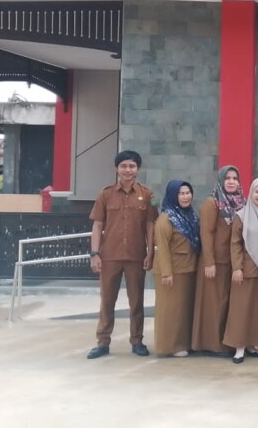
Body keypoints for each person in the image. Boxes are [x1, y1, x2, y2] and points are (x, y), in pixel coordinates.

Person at [86, 150, 156, 359]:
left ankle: (137, 341)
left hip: (136, 256)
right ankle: (102, 342)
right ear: (117, 169)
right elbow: (97, 225)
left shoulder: (147, 194)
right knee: (107, 301)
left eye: (132, 166)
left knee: (137, 301)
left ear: (138, 169)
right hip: (110, 256)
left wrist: (150, 252)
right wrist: (94, 254)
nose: (128, 170)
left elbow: (150, 225)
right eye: (124, 166)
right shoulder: (105, 194)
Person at [192, 165, 245, 356]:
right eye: (228, 178)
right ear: (221, 181)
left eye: (235, 178)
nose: (231, 182)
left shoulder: (240, 202)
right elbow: (206, 233)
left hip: (231, 261)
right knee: (213, 305)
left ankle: (226, 341)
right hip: (215, 262)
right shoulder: (212, 203)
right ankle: (212, 345)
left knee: (225, 304)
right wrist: (209, 262)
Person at [224, 178, 258, 364]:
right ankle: (239, 347)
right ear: (251, 193)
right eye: (257, 192)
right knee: (242, 309)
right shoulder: (241, 215)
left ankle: (252, 344)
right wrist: (237, 268)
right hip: (246, 270)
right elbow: (235, 243)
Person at [152, 180, 200, 357]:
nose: (186, 197)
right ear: (173, 195)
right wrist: (166, 273)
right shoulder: (166, 218)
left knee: (182, 310)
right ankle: (168, 346)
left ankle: (183, 343)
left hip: (188, 269)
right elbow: (162, 247)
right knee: (170, 311)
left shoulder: (190, 215)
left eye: (188, 193)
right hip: (172, 272)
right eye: (181, 193)